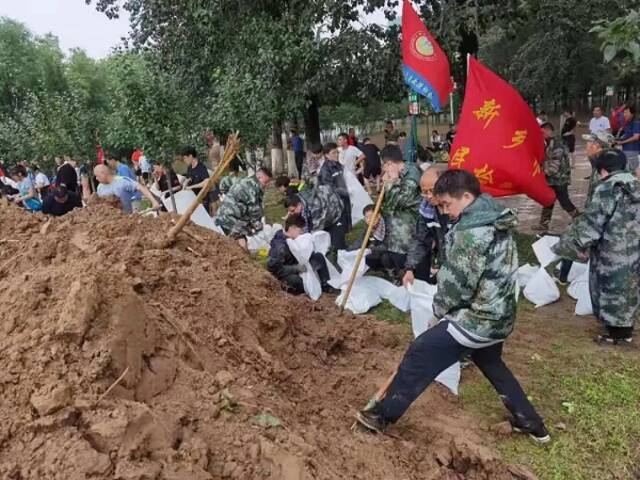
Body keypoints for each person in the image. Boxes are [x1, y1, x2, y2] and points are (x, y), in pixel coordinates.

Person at [355, 170, 550, 444]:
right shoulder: (495, 217)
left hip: (479, 316)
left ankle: (381, 415)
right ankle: (531, 422)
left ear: (467, 196)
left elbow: (456, 285)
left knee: (420, 351)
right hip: (500, 314)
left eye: (447, 205)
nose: (446, 212)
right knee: (491, 362)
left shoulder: (471, 232)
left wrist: (439, 311)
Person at [552, 150, 639, 345]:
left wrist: (577, 245)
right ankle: (625, 329)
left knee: (611, 289)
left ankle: (616, 334)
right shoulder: (635, 184)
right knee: (629, 287)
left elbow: (593, 222)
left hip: (611, 249)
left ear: (602, 170)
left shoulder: (608, 187)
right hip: (633, 248)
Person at [554, 131, 615, 285]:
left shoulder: (607, 167)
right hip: (596, 214)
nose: (586, 146)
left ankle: (564, 275)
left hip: (602, 217)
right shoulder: (602, 162)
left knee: (570, 239)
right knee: (573, 237)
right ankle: (564, 275)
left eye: (590, 143)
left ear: (598, 147)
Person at [374, 145, 422, 281]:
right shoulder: (397, 174)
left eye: (384, 166)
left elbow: (402, 200)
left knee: (412, 265)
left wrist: (391, 183)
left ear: (389, 163)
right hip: (397, 232)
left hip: (410, 231)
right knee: (397, 258)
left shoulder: (412, 174)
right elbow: (388, 205)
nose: (384, 170)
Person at [267, 214, 338, 295]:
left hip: (298, 265)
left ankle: (325, 287)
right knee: (298, 282)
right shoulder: (280, 247)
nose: (301, 233)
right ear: (292, 228)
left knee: (318, 257)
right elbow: (275, 270)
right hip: (286, 273)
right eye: (300, 230)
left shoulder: (291, 238)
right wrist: (296, 268)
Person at [403, 166, 448, 286]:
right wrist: (409, 268)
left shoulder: (458, 211)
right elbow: (420, 239)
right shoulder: (426, 210)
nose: (428, 196)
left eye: (432, 191)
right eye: (424, 192)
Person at [533, 122, 579, 233]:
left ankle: (580, 220)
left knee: (564, 202)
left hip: (559, 179)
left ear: (549, 131)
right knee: (548, 201)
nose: (541, 134)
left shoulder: (557, 144)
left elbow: (555, 163)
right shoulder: (547, 143)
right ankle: (544, 224)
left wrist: (543, 173)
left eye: (543, 132)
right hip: (551, 178)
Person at [215, 167, 273, 249]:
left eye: (268, 183)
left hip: (224, 213)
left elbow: (225, 181)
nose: (267, 185)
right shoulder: (253, 189)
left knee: (234, 241)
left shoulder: (244, 180)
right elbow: (255, 214)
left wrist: (223, 192)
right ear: (259, 177)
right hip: (230, 218)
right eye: (266, 182)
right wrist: (260, 231)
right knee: (242, 244)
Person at [285, 185, 345, 250]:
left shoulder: (314, 208)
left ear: (299, 205)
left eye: (292, 211)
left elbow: (314, 230)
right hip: (323, 210)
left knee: (335, 246)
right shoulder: (297, 198)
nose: (291, 213)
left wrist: (300, 237)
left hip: (335, 212)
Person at [94, 164, 160, 213]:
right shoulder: (100, 188)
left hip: (128, 217)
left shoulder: (122, 181)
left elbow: (141, 187)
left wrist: (153, 201)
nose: (96, 178)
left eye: (97, 175)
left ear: (103, 173)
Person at [318, 142, 351, 233]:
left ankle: (345, 229)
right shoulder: (325, 170)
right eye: (333, 153)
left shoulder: (339, 165)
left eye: (337, 152)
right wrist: (346, 192)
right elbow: (329, 188)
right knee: (338, 226)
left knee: (345, 223)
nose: (336, 155)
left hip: (344, 198)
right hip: (334, 202)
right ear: (326, 155)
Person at [181, 146, 212, 211]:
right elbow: (189, 178)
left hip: (202, 200)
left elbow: (206, 181)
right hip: (193, 200)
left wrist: (192, 187)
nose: (184, 160)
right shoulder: (189, 168)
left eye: (185, 158)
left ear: (190, 156)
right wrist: (186, 181)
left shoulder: (201, 167)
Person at [615, 104, 640, 175]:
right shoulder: (628, 123)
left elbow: (636, 137)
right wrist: (618, 140)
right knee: (629, 169)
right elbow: (627, 135)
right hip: (626, 150)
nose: (624, 114)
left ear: (632, 114)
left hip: (633, 150)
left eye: (626, 112)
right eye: (624, 112)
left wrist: (622, 142)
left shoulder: (636, 123)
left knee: (635, 169)